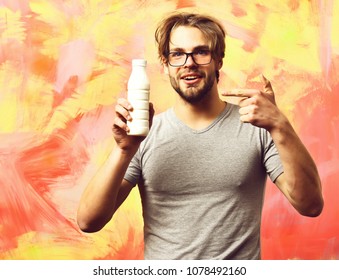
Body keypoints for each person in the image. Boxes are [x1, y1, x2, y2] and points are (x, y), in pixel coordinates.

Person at [77, 12, 324, 259]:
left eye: (201, 52)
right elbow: (89, 221)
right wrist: (122, 151)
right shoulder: (143, 135)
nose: (189, 62)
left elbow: (310, 205)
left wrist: (281, 125)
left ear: (218, 60)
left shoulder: (257, 127)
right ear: (164, 65)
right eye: (177, 54)